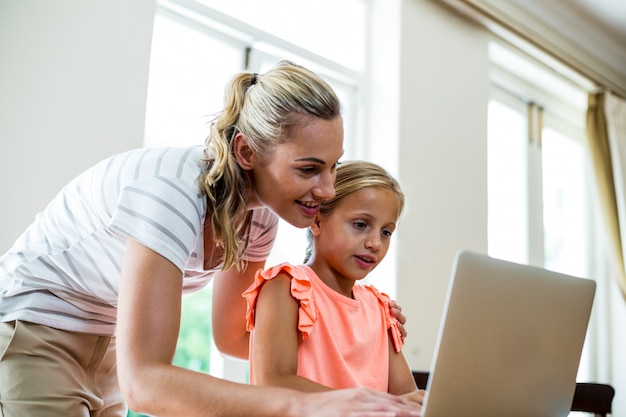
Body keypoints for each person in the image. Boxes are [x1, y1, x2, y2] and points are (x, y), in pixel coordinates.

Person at [0, 61, 417, 417]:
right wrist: (301, 405)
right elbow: (145, 383)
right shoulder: (172, 195)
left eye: (332, 167)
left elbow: (232, 337)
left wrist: (355, 330)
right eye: (309, 170)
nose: (327, 189)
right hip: (37, 328)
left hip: (108, 343)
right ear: (247, 152)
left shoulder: (259, 218)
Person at [243, 161, 424, 409]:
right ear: (316, 221)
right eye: (361, 224)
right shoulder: (285, 287)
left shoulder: (380, 308)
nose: (375, 243)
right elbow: (274, 383)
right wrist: (376, 405)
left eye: (386, 232)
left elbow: (407, 398)